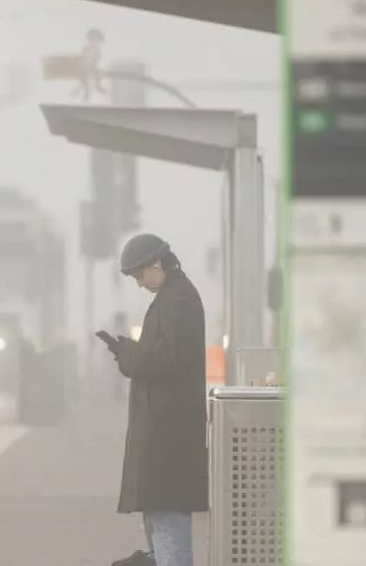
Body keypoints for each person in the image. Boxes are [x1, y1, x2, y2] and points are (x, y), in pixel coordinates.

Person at [109, 233, 208, 566]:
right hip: (164, 439)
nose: (138, 283)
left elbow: (166, 359)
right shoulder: (173, 295)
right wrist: (129, 351)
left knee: (169, 536)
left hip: (169, 442)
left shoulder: (178, 300)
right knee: (160, 532)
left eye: (139, 275)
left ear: (156, 263)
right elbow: (162, 354)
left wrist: (130, 359)